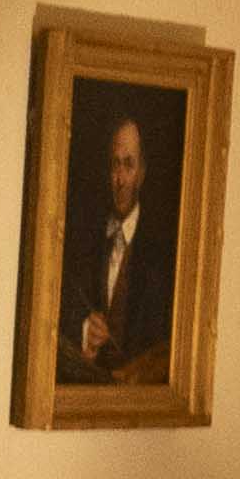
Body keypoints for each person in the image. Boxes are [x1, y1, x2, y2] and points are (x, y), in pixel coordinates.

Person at [60, 104, 181, 383]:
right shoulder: (86, 240)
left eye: (129, 164)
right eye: (115, 164)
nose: (121, 179)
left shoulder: (162, 250)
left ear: (142, 172)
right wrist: (85, 331)